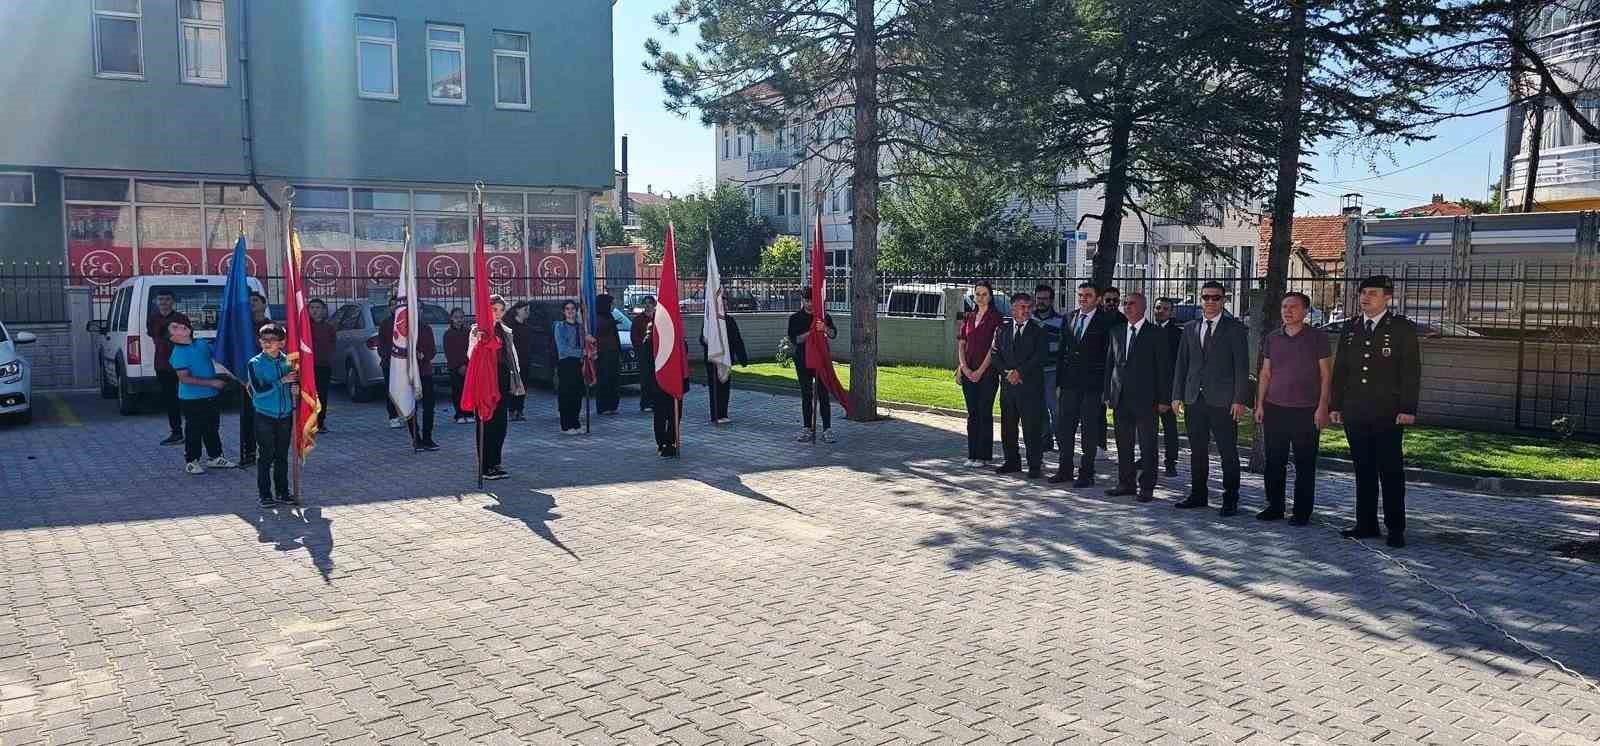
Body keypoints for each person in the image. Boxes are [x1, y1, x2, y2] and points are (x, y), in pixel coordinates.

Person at [1331, 275, 1421, 548]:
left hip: (1387, 412)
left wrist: (1407, 408)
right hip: (1356, 410)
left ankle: (1395, 528)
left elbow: (1411, 372)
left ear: (1387, 297)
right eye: (1363, 293)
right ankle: (1366, 523)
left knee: (1390, 471)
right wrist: (1335, 405)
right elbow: (1341, 370)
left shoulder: (1401, 329)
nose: (1365, 297)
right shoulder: (1351, 328)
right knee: (1363, 469)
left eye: (1372, 293)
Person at [1171, 281, 1251, 516]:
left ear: (1223, 300)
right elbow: (1181, 364)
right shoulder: (1189, 328)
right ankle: (1198, 494)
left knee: (1228, 452)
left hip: (1224, 401)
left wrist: (1239, 399)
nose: (1210, 301)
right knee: (1197, 450)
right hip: (1194, 399)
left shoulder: (1234, 329)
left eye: (1215, 297)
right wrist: (1176, 395)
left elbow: (1241, 367)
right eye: (1206, 297)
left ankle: (1230, 498)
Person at [1255, 292, 1332, 525]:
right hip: (1275, 408)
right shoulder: (1272, 338)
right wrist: (1259, 404)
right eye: (1284, 307)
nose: (1287, 311)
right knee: (1274, 461)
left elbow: (1326, 374)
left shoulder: (1317, 337)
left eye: (1293, 307)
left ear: (1306, 311)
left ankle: (1301, 512)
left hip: (1306, 410)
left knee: (1304, 464)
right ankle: (1275, 507)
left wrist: (1323, 407)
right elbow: (1265, 373)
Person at [1104, 293, 1171, 502]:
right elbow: (1110, 365)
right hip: (1120, 398)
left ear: (1143, 307)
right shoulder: (1116, 331)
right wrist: (1108, 393)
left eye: (1131, 303)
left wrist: (1164, 399)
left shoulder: (1155, 334)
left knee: (1147, 445)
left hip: (1147, 399)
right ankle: (1126, 483)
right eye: (1125, 304)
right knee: (1123, 444)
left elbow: (1164, 369)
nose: (1126, 306)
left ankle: (1147, 487)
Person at [1050, 283, 1115, 487]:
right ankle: (1065, 469)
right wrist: (1059, 382)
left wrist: (1106, 387)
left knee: (1089, 430)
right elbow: (1062, 352)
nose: (1083, 299)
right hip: (1069, 384)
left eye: (1088, 295)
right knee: (1064, 428)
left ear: (1097, 299)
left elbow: (1109, 357)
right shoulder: (1069, 317)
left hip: (1092, 386)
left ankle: (1086, 473)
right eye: (1080, 295)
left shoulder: (1105, 321)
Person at [992, 292, 1048, 478]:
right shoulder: (1002, 330)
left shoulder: (1039, 330)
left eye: (1028, 307)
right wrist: (1007, 373)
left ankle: (1034, 465)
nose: (1026, 310)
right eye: (1022, 307)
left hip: (1030, 387)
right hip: (1009, 387)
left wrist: (1020, 372)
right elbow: (995, 354)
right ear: (1013, 308)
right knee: (1008, 426)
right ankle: (1011, 461)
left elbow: (1039, 356)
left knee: (1032, 427)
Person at [167, 318, 235, 474]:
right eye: (175, 327)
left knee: (212, 427)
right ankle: (191, 461)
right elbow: (184, 378)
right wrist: (212, 383)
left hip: (210, 395)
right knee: (194, 430)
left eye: (181, 324)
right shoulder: (178, 353)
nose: (181, 326)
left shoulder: (201, 343)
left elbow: (219, 353)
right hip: (191, 399)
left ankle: (215, 457)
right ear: (172, 337)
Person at [469, 295, 525, 480]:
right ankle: (485, 466)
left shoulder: (505, 330)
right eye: (494, 310)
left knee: (501, 423)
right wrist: (478, 340)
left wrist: (516, 377)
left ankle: (496, 462)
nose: (498, 314)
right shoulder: (478, 330)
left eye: (501, 310)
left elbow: (512, 355)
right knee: (486, 421)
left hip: (501, 378)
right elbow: (471, 355)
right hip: (485, 379)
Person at [247, 324, 299, 508]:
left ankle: (283, 492)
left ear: (282, 343)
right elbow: (259, 391)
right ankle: (265, 494)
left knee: (282, 455)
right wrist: (282, 381)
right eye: (263, 340)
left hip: (285, 415)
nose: (267, 343)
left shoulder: (290, 361)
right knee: (266, 456)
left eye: (272, 340)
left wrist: (296, 388)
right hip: (264, 415)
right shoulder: (255, 363)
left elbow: (297, 381)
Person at [956, 281, 1002, 467]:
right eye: (977, 294)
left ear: (990, 296)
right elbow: (961, 343)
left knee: (984, 412)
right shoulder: (969, 316)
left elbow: (994, 347)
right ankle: (972, 454)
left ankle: (983, 456)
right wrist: (964, 368)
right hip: (968, 371)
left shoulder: (995, 318)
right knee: (972, 413)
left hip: (987, 373)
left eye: (984, 294)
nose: (980, 297)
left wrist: (980, 371)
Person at [787, 288, 839, 443]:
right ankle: (807, 428)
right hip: (803, 361)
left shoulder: (823, 317)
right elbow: (795, 339)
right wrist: (811, 332)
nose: (809, 303)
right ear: (802, 300)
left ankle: (827, 429)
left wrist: (824, 328)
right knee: (806, 394)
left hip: (820, 361)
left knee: (823, 395)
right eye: (806, 300)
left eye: (812, 300)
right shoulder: (795, 318)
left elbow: (833, 334)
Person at [647, 302, 691, 457]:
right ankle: (661, 443)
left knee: (675, 413)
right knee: (660, 414)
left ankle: (672, 441)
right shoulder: (651, 335)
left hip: (676, 381)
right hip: (658, 381)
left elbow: (684, 352)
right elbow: (648, 358)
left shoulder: (678, 335)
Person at [148, 289, 191, 446]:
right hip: (162, 364)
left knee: (187, 399)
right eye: (161, 299)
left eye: (167, 299)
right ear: (157, 302)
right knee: (170, 400)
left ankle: (192, 431)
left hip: (181, 365)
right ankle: (176, 433)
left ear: (173, 301)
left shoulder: (181, 318)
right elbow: (154, 336)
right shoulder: (153, 319)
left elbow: (187, 338)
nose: (164, 302)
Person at [238, 292, 273, 466]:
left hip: (265, 376)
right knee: (247, 416)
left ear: (264, 305)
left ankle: (268, 451)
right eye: (249, 301)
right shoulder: (243, 326)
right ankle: (249, 452)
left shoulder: (270, 327)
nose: (252, 304)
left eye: (255, 301)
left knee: (265, 416)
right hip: (246, 377)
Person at [1151, 298, 1184, 475]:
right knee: (1148, 428)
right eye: (1158, 308)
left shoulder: (1178, 334)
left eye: (1165, 309)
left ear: (1171, 312)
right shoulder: (1147, 331)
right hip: (1149, 388)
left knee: (1170, 427)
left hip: (1170, 388)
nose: (1160, 311)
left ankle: (1171, 462)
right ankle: (1148, 458)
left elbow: (1179, 364)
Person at [700, 311, 750, 423]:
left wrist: (743, 359)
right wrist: (706, 340)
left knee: (725, 386)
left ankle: (723, 413)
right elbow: (702, 339)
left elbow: (737, 339)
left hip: (726, 359)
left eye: (725, 304)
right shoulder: (709, 321)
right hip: (713, 360)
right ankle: (715, 415)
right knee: (714, 388)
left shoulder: (730, 321)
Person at [1033, 284, 1065, 452]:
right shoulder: (1029, 320)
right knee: (1039, 409)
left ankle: (1062, 442)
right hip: (1034, 373)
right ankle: (1045, 441)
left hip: (1053, 372)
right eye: (1039, 298)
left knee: (1056, 410)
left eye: (1045, 299)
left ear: (1051, 300)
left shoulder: (1061, 321)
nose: (1041, 302)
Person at [408, 309, 439, 452]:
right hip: (408, 374)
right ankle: (416, 439)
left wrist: (424, 355)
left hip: (425, 372)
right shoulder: (404, 329)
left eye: (420, 308)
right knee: (411, 407)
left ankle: (427, 437)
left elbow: (432, 351)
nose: (418, 311)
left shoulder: (426, 329)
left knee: (429, 406)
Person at [554, 300, 586, 434]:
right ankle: (566, 425)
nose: (570, 311)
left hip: (578, 364)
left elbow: (584, 344)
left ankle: (575, 422)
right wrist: (580, 352)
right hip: (566, 363)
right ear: (563, 311)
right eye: (567, 309)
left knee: (577, 394)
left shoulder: (581, 327)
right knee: (566, 394)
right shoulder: (560, 326)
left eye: (573, 309)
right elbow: (563, 349)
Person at [307, 299, 336, 432]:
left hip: (323, 366)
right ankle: (308, 422)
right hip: (308, 366)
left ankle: (320, 421)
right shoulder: (305, 327)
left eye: (318, 307)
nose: (314, 310)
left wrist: (329, 358)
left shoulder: (329, 328)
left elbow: (332, 345)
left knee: (322, 394)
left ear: (324, 310)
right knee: (308, 394)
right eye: (312, 307)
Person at [593, 295, 623, 416]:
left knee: (613, 379)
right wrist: (612, 323)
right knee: (604, 380)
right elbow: (600, 329)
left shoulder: (609, 316)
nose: (613, 306)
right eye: (611, 304)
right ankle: (603, 406)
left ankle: (612, 405)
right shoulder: (597, 317)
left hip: (613, 353)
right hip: (603, 354)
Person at [506, 301, 536, 421]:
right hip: (513, 361)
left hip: (525, 360)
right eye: (525, 310)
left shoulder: (527, 326)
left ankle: (520, 409)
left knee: (523, 386)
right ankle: (512, 410)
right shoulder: (510, 326)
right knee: (513, 387)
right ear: (517, 310)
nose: (527, 312)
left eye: (528, 310)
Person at [444, 308, 473, 424]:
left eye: (461, 317)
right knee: (457, 391)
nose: (459, 320)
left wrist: (467, 364)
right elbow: (449, 352)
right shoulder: (448, 334)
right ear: (451, 319)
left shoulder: (468, 332)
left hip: (468, 367)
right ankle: (459, 414)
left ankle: (469, 413)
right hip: (455, 368)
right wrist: (459, 366)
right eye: (456, 317)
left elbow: (471, 349)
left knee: (469, 391)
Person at [377, 295, 402, 427]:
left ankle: (402, 413)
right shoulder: (385, 323)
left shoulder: (405, 321)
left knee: (403, 389)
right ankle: (392, 416)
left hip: (403, 362)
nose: (395, 307)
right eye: (392, 304)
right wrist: (386, 355)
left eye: (397, 304)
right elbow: (380, 342)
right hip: (389, 362)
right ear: (389, 307)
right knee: (391, 389)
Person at [631, 297, 658, 412]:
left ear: (654, 304)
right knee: (646, 377)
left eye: (650, 303)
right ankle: (645, 403)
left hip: (656, 351)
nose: (648, 306)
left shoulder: (658, 317)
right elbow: (634, 336)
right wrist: (640, 347)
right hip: (644, 351)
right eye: (646, 303)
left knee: (655, 377)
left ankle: (655, 401)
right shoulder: (638, 319)